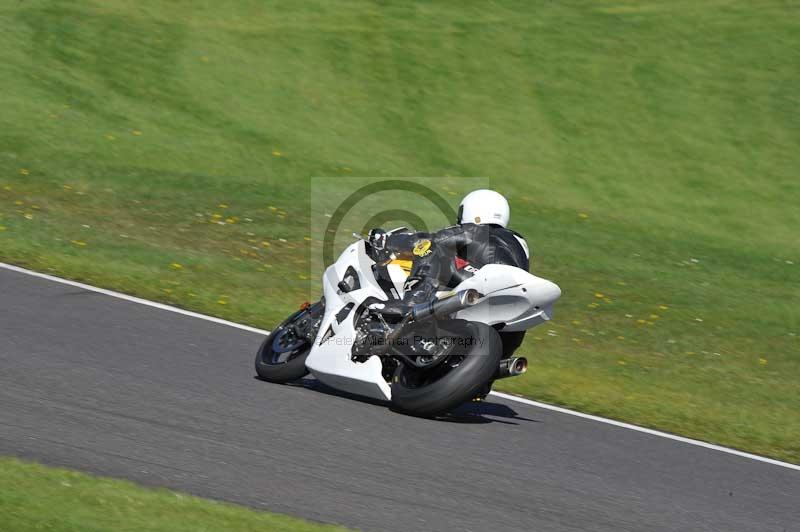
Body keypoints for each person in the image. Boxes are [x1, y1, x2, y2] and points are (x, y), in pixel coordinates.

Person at [371, 189, 530, 358]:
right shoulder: (519, 244)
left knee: (430, 249)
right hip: (508, 326)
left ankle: (412, 301)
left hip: (485, 286)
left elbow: (430, 241)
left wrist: (387, 240)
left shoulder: (476, 230)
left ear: (472, 211)